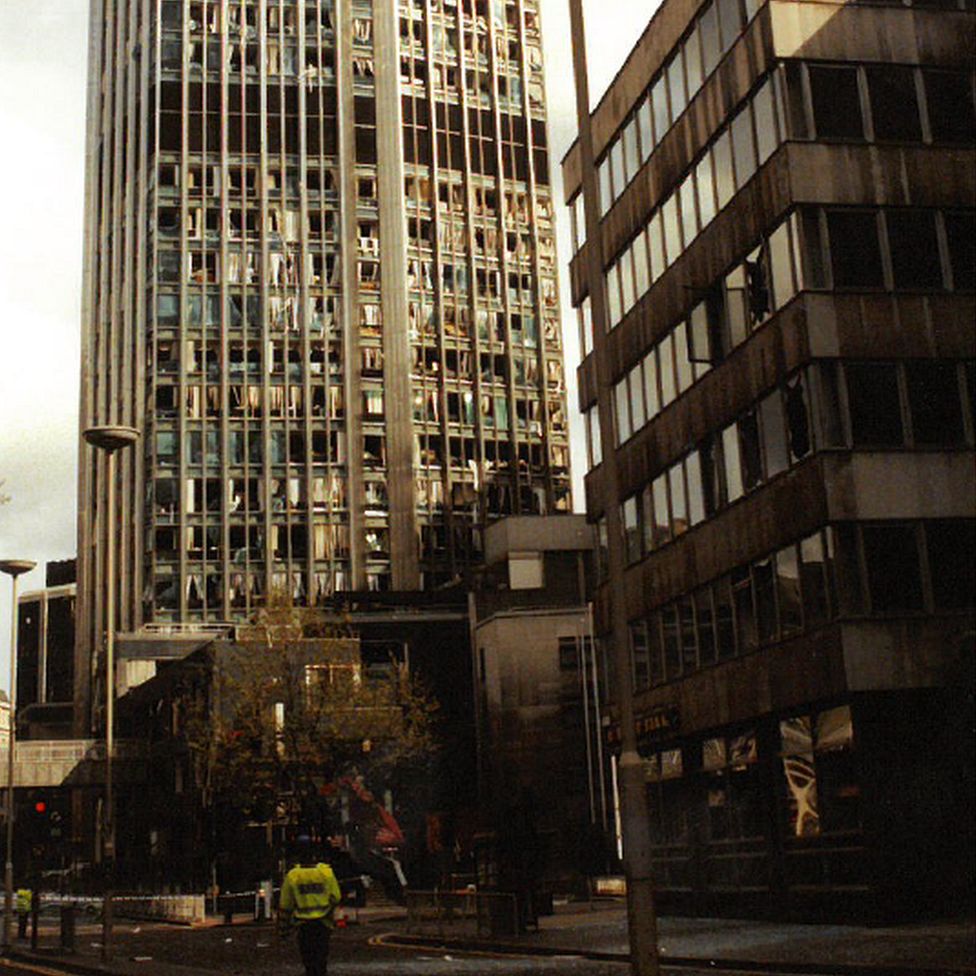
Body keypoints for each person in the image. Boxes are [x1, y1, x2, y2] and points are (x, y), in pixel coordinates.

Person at [278, 836, 342, 976]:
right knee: (321, 959)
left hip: (303, 925)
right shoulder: (326, 873)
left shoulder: (293, 876)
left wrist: (283, 931)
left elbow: (285, 905)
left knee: (309, 961)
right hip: (323, 923)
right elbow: (336, 897)